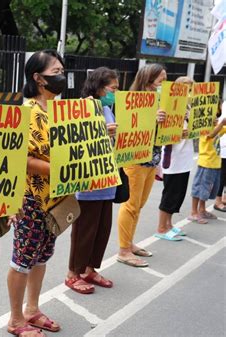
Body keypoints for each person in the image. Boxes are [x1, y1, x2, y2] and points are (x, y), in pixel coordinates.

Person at [6, 50, 65, 337]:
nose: (61, 75)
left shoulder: (61, 110)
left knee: (41, 256)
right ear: (38, 77)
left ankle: (32, 308)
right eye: (56, 70)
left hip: (55, 197)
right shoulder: (27, 111)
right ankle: (16, 319)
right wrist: (59, 169)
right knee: (23, 258)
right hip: (30, 197)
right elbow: (22, 159)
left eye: (62, 69)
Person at [65, 67, 118, 294]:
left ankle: (90, 268)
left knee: (102, 229)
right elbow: (76, 141)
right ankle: (73, 273)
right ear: (98, 87)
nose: (115, 92)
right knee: (84, 230)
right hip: (88, 183)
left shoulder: (107, 108)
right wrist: (102, 131)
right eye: (112, 88)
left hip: (107, 181)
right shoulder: (82, 108)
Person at [117, 63, 167, 268]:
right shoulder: (132, 101)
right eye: (161, 80)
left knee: (139, 205)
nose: (163, 84)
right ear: (148, 81)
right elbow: (128, 128)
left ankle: (129, 243)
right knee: (130, 205)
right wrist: (151, 119)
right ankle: (123, 250)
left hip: (152, 159)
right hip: (135, 160)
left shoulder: (160, 100)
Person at [155, 76, 194, 240]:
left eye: (190, 88)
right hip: (172, 158)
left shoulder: (190, 107)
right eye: (185, 88)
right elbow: (163, 133)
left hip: (185, 158)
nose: (188, 92)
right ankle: (161, 227)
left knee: (179, 193)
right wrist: (179, 133)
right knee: (170, 193)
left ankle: (169, 224)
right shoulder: (168, 107)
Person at [189, 106, 226, 223]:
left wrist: (220, 124)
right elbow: (210, 135)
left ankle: (202, 210)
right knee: (199, 188)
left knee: (207, 189)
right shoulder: (203, 127)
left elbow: (221, 130)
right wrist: (220, 124)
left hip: (215, 163)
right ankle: (194, 212)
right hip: (206, 163)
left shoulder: (215, 126)